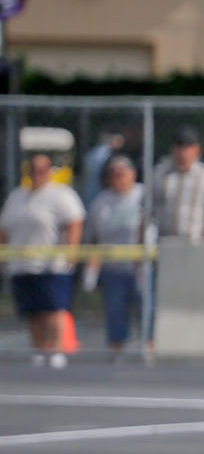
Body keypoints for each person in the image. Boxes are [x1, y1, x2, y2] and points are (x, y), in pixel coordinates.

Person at [0, 152, 86, 367]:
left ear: (49, 172)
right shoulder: (18, 196)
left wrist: (71, 252)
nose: (36, 175)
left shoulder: (60, 195)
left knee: (54, 308)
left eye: (41, 170)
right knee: (33, 310)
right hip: (23, 263)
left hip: (52, 263)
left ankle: (56, 349)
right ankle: (38, 348)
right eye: (33, 171)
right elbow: (5, 229)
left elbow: (75, 222)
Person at [84, 155, 145, 358]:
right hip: (113, 268)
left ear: (133, 174)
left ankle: (150, 349)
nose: (119, 177)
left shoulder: (143, 196)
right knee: (115, 312)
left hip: (140, 267)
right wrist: (91, 273)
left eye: (123, 173)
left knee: (147, 309)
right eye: (114, 174)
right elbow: (95, 240)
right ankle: (117, 352)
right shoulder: (101, 202)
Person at [154, 127, 204, 241]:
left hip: (195, 243)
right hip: (165, 244)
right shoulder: (160, 173)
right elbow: (147, 211)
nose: (183, 152)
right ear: (173, 150)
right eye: (179, 147)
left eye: (187, 147)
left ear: (197, 150)